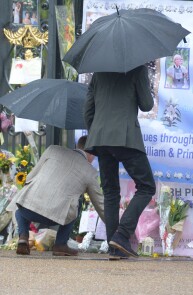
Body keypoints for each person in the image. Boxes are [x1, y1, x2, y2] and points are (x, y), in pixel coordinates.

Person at [84, 65, 156, 258]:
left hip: (100, 139)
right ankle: (122, 235)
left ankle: (114, 246)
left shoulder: (99, 71)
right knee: (147, 186)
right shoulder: (137, 68)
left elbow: (88, 110)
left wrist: (96, 133)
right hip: (125, 137)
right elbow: (147, 105)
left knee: (110, 192)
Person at [6, 135, 105, 256]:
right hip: (56, 217)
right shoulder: (90, 172)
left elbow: (30, 177)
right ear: (92, 154)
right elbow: (100, 204)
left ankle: (23, 237)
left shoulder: (52, 150)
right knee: (78, 201)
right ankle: (60, 244)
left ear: (78, 146)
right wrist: (115, 228)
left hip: (28, 211)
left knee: (22, 201)